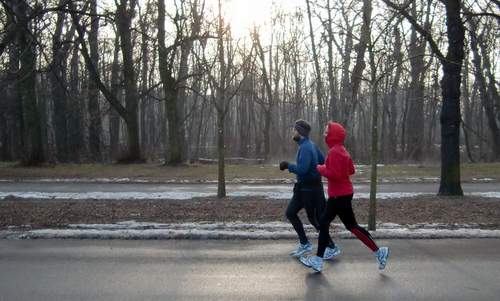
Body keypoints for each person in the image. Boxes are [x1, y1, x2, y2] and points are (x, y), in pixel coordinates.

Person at [299, 121, 389, 272]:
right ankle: (379, 252)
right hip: (344, 194)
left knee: (324, 222)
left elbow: (334, 174)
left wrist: (321, 168)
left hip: (339, 196)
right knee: (350, 226)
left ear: (333, 135)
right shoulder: (341, 150)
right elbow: (351, 170)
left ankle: (318, 260)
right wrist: (331, 168)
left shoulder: (335, 152)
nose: (324, 134)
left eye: (327, 132)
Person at [279, 119, 340, 260]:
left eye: (294, 130)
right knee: (291, 213)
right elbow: (322, 161)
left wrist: (288, 165)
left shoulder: (306, 147)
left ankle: (332, 247)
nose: (292, 132)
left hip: (310, 189)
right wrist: (316, 169)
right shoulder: (309, 145)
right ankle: (305, 243)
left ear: (300, 132)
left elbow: (302, 169)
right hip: (302, 188)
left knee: (315, 219)